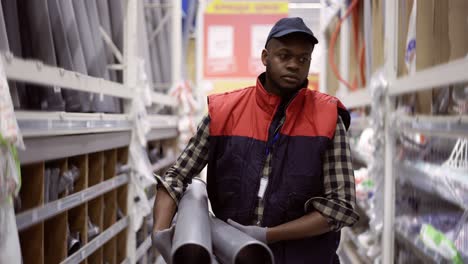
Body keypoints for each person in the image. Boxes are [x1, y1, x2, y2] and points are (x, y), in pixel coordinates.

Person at [152, 17, 359, 264]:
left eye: (303, 59)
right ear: (265, 57)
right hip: (234, 256)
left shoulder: (327, 118)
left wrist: (268, 235)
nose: (294, 65)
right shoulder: (225, 112)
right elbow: (177, 177)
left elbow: (342, 207)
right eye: (284, 55)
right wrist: (160, 234)